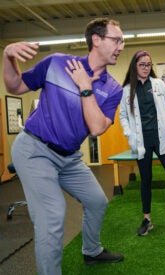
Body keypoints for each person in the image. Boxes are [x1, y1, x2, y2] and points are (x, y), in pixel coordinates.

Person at [2, 17, 125, 275]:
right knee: (52, 216)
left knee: (97, 201)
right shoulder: (56, 63)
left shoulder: (113, 88)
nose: (121, 46)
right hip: (35, 150)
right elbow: (15, 86)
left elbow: (97, 128)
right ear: (96, 39)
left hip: (68, 157)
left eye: (122, 41)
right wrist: (8, 56)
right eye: (116, 40)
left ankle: (91, 251)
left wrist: (84, 87)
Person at [120, 50, 165, 236]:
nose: (145, 68)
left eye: (148, 64)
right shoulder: (127, 90)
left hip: (162, 139)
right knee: (146, 180)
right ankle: (147, 219)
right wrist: (129, 135)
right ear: (135, 66)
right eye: (142, 64)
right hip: (142, 141)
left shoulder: (158, 84)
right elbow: (123, 116)